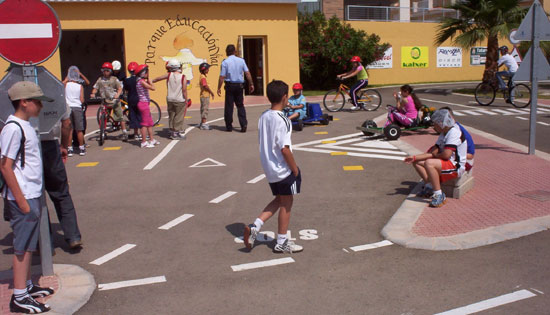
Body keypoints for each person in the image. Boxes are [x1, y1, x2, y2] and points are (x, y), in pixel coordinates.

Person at [2, 81, 54, 313]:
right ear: (24, 102)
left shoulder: (25, 125)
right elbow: (5, 166)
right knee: (22, 248)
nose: (41, 107)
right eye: (37, 102)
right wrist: (22, 202)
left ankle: (28, 286)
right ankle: (19, 296)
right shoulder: (13, 128)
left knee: (30, 245)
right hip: (23, 197)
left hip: (32, 194)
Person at [243, 80, 303, 254]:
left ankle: (256, 225)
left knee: (279, 198)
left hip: (269, 168)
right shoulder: (283, 119)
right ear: (285, 97)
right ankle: (282, 241)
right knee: (287, 202)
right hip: (282, 168)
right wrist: (295, 168)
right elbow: (284, 149)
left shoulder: (264, 116)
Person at [404, 109, 467, 208]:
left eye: (435, 124)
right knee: (417, 162)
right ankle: (430, 187)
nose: (433, 127)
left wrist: (435, 155)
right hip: (446, 162)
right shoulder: (444, 133)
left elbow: (446, 154)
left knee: (429, 163)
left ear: (441, 123)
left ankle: (439, 195)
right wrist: (415, 157)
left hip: (456, 166)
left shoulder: (454, 132)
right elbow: (432, 152)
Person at [217, 44, 254, 132]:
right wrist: (251, 83)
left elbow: (222, 76)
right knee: (240, 105)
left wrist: (219, 87)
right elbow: (247, 73)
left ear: (227, 52)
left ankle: (229, 126)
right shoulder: (241, 61)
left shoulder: (225, 62)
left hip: (230, 85)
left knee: (229, 106)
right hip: (239, 86)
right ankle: (243, 124)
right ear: (235, 51)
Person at [91, 62, 128, 141]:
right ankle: (103, 131)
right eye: (104, 70)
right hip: (105, 101)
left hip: (114, 101)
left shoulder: (114, 79)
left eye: (107, 70)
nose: (105, 72)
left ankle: (124, 132)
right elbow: (95, 87)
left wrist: (117, 94)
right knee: (103, 117)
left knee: (120, 117)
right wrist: (93, 93)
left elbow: (120, 88)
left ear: (111, 71)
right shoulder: (100, 80)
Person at [152, 59, 188, 139]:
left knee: (171, 115)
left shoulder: (168, 75)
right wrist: (186, 99)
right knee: (179, 116)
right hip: (179, 99)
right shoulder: (183, 77)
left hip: (170, 99)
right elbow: (184, 90)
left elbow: (158, 78)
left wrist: (151, 81)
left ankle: (172, 130)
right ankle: (176, 133)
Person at [440, 106, 475, 171]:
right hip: (456, 156)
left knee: (434, 162)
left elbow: (470, 155)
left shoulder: (456, 130)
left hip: (465, 160)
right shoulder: (447, 130)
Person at [135, 64, 159, 148]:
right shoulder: (141, 82)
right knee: (144, 124)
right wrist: (151, 82)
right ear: (143, 73)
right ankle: (144, 142)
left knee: (149, 123)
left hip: (145, 104)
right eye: (146, 72)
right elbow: (153, 88)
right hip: (143, 104)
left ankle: (151, 139)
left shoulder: (141, 81)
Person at [64, 66, 86, 156]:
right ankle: (81, 148)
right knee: (79, 129)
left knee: (70, 130)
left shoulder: (66, 85)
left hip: (68, 107)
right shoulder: (80, 86)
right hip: (77, 107)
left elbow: (60, 84)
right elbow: (82, 100)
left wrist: (66, 79)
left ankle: (69, 149)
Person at [123, 61, 142, 140]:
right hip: (139, 98)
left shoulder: (127, 80)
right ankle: (141, 133)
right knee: (140, 116)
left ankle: (135, 133)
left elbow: (126, 89)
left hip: (131, 99)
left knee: (133, 115)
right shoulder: (139, 79)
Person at [199, 62, 214, 130]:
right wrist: (211, 92)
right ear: (204, 69)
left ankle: (203, 122)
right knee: (205, 109)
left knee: (204, 109)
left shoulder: (203, 76)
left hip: (204, 95)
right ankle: (203, 124)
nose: (208, 70)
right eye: (207, 69)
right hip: (205, 96)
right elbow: (205, 85)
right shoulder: (203, 77)